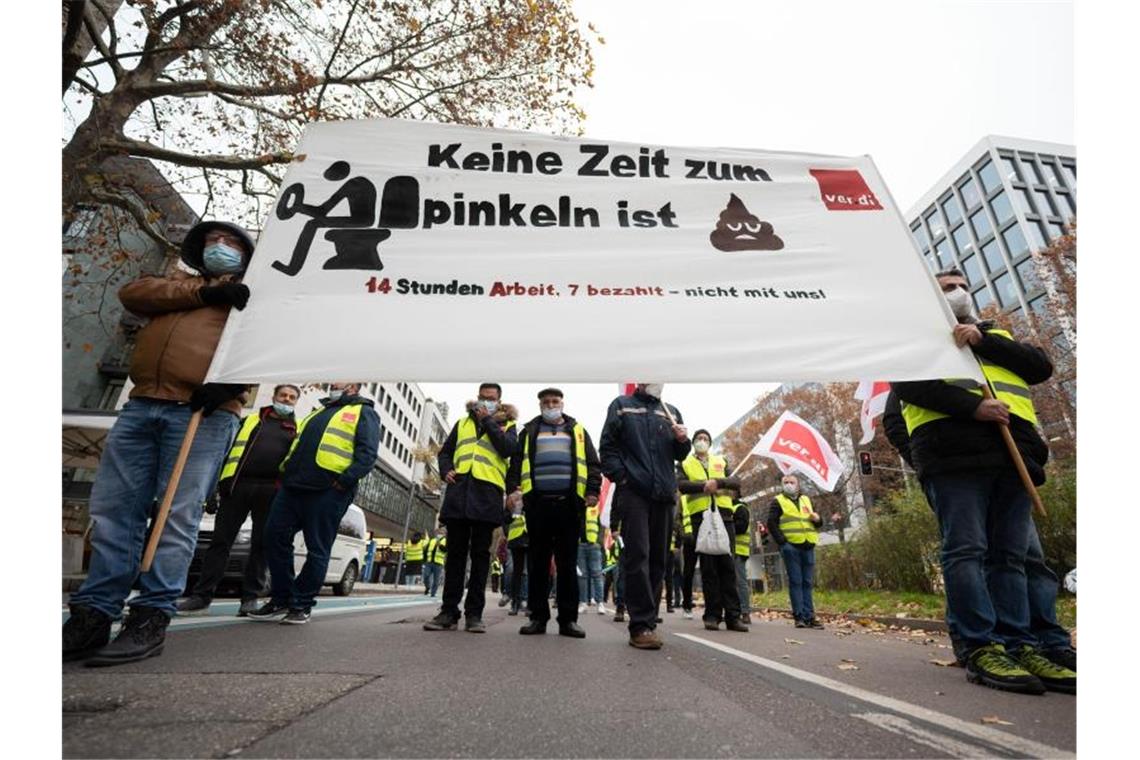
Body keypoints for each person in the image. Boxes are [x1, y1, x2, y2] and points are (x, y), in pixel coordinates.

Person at [64, 220, 255, 666]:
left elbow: (270, 347)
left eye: (231, 243)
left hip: (200, 414)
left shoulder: (251, 300)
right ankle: (93, 614)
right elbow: (133, 294)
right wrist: (203, 295)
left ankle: (150, 616)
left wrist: (230, 388)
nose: (219, 248)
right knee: (114, 512)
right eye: (212, 241)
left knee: (175, 516)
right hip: (142, 406)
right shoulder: (174, 286)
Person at [888, 267, 1075, 694]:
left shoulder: (997, 336)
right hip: (954, 461)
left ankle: (1021, 644)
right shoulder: (915, 337)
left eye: (961, 286)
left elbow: (1039, 366)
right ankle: (979, 646)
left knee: (1012, 557)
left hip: (1014, 461)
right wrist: (972, 409)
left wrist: (981, 339)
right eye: (946, 288)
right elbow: (910, 389)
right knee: (966, 551)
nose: (957, 292)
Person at [249, 382, 380, 625]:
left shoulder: (365, 412)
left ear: (353, 385)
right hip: (293, 487)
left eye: (340, 380)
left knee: (317, 548)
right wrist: (285, 473)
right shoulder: (319, 411)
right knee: (273, 537)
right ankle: (282, 598)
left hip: (328, 491)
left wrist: (343, 482)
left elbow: (368, 454)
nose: (333, 383)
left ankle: (301, 604)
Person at [177, 383, 302, 617]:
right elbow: (225, 452)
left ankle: (250, 599)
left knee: (261, 546)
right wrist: (215, 488)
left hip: (271, 492)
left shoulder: (297, 428)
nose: (286, 399)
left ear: (295, 402)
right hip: (236, 487)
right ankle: (201, 597)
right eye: (282, 395)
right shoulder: (250, 421)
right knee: (220, 542)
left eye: (291, 397)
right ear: (273, 397)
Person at [599, 383, 691, 650]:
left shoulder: (670, 411)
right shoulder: (621, 406)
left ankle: (649, 620)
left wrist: (682, 440)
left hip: (663, 493)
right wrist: (624, 478)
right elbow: (608, 448)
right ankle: (639, 624)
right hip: (634, 493)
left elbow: (680, 455)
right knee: (638, 555)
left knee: (658, 559)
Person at [507, 387, 602, 638]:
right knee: (538, 564)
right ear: (540, 405)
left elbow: (593, 464)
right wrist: (513, 491)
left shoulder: (578, 430)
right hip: (537, 505)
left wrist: (592, 491)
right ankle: (538, 618)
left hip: (569, 505)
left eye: (555, 401)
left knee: (567, 565)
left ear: (562, 403)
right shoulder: (528, 431)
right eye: (546, 402)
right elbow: (515, 465)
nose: (551, 405)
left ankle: (568, 620)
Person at [424, 383, 519, 633]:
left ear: (499, 401)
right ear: (477, 398)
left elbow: (508, 449)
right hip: (459, 494)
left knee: (480, 558)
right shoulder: (462, 423)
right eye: (482, 398)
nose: (485, 402)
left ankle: (474, 615)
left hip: (487, 497)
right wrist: (446, 471)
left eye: (491, 399)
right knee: (454, 557)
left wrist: (488, 421)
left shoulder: (507, 425)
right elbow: (445, 453)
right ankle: (448, 612)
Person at [677, 429, 747, 632]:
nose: (702, 441)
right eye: (699, 439)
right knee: (709, 569)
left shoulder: (721, 460)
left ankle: (733, 616)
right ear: (693, 443)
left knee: (728, 567)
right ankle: (712, 616)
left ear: (710, 443)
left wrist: (719, 483)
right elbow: (681, 485)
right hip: (701, 519)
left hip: (725, 518)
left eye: (706, 439)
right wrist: (703, 486)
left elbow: (736, 482)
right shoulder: (685, 463)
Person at [766, 474, 823, 630]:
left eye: (792, 482)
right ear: (782, 485)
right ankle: (799, 617)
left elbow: (818, 522)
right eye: (786, 482)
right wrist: (783, 543)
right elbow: (771, 523)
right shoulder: (778, 501)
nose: (789, 484)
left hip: (808, 545)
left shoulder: (807, 500)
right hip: (791, 546)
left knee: (807, 582)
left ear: (798, 485)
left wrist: (817, 519)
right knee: (796, 581)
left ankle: (810, 616)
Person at [578, 503, 606, 616]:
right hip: (580, 545)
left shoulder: (597, 508)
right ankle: (583, 603)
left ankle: (600, 603)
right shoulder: (578, 509)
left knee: (597, 574)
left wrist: (599, 542)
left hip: (594, 545)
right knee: (582, 576)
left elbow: (602, 526)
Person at [503, 503, 529, 615]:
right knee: (516, 572)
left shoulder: (532, 495)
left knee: (529, 572)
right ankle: (515, 602)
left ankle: (529, 602)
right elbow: (505, 519)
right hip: (516, 538)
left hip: (531, 537)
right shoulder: (511, 499)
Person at [732, 500, 754, 625]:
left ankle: (745, 612)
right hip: (730, 550)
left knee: (740, 582)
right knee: (732, 583)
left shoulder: (740, 508)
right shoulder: (729, 507)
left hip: (739, 551)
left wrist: (728, 523)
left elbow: (741, 527)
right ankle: (734, 611)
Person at [424, 526, 447, 598]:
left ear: (445, 533)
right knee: (426, 576)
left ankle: (433, 594)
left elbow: (445, 550)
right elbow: (427, 550)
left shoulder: (445, 540)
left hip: (438, 563)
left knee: (436, 580)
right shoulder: (432, 540)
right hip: (429, 562)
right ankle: (428, 587)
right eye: (439, 532)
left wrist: (439, 545)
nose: (440, 533)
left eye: (442, 532)